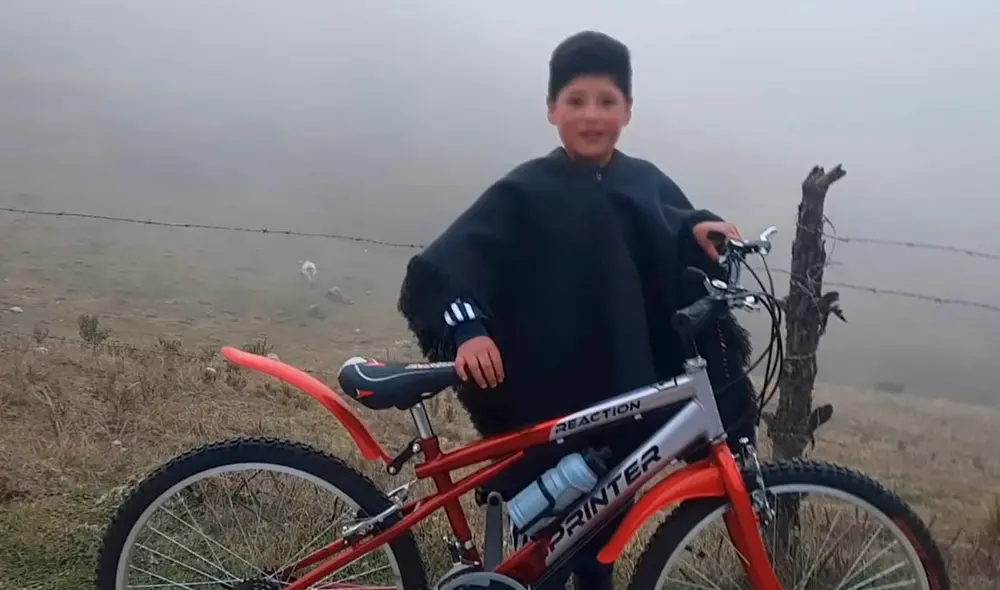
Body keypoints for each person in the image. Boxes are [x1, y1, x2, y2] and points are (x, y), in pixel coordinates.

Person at [398, 30, 756, 590]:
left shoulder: (645, 182)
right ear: (552, 109)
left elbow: (673, 229)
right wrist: (469, 330)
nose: (592, 115)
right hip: (546, 392)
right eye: (576, 101)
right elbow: (451, 263)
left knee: (602, 535)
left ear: (628, 109)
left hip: (625, 391)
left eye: (606, 101)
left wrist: (699, 228)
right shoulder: (526, 190)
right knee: (549, 541)